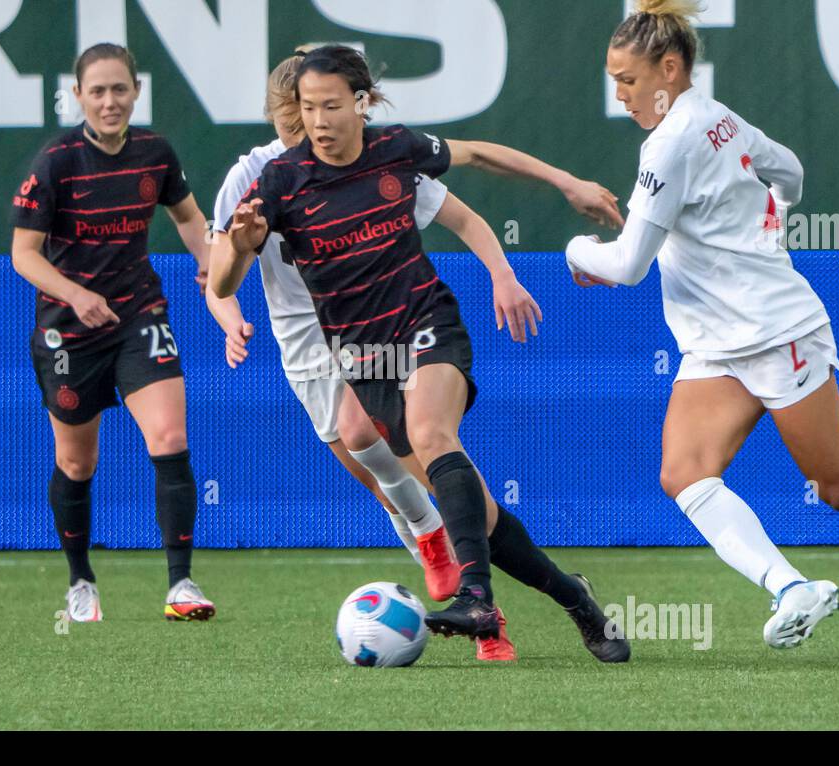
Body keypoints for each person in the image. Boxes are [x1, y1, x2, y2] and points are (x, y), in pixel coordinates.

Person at [565, 0, 839, 648]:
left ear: (669, 67)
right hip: (714, 345)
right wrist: (770, 218)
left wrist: (574, 251)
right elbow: (789, 170)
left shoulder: (673, 141)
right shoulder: (718, 120)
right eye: (614, 79)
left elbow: (627, 264)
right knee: (684, 472)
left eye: (627, 79)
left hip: (777, 332)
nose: (620, 92)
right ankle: (792, 587)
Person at [212, 45, 631, 663]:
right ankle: (574, 597)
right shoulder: (278, 181)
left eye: (331, 106)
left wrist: (565, 184)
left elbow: (481, 154)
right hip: (362, 356)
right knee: (479, 513)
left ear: (361, 103)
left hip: (425, 322)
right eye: (308, 108)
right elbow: (220, 282)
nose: (320, 122)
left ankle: (478, 599)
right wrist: (241, 247)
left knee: (432, 432)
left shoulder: (396, 151)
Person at [10, 43, 215, 624]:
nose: (109, 101)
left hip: (139, 314)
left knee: (169, 437)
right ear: (77, 96)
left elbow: (188, 218)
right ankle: (80, 580)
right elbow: (23, 255)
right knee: (77, 462)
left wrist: (210, 270)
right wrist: (76, 294)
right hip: (68, 331)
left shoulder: (155, 153)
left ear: (136, 91)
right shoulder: (55, 162)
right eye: (96, 91)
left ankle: (182, 584)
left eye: (119, 89)